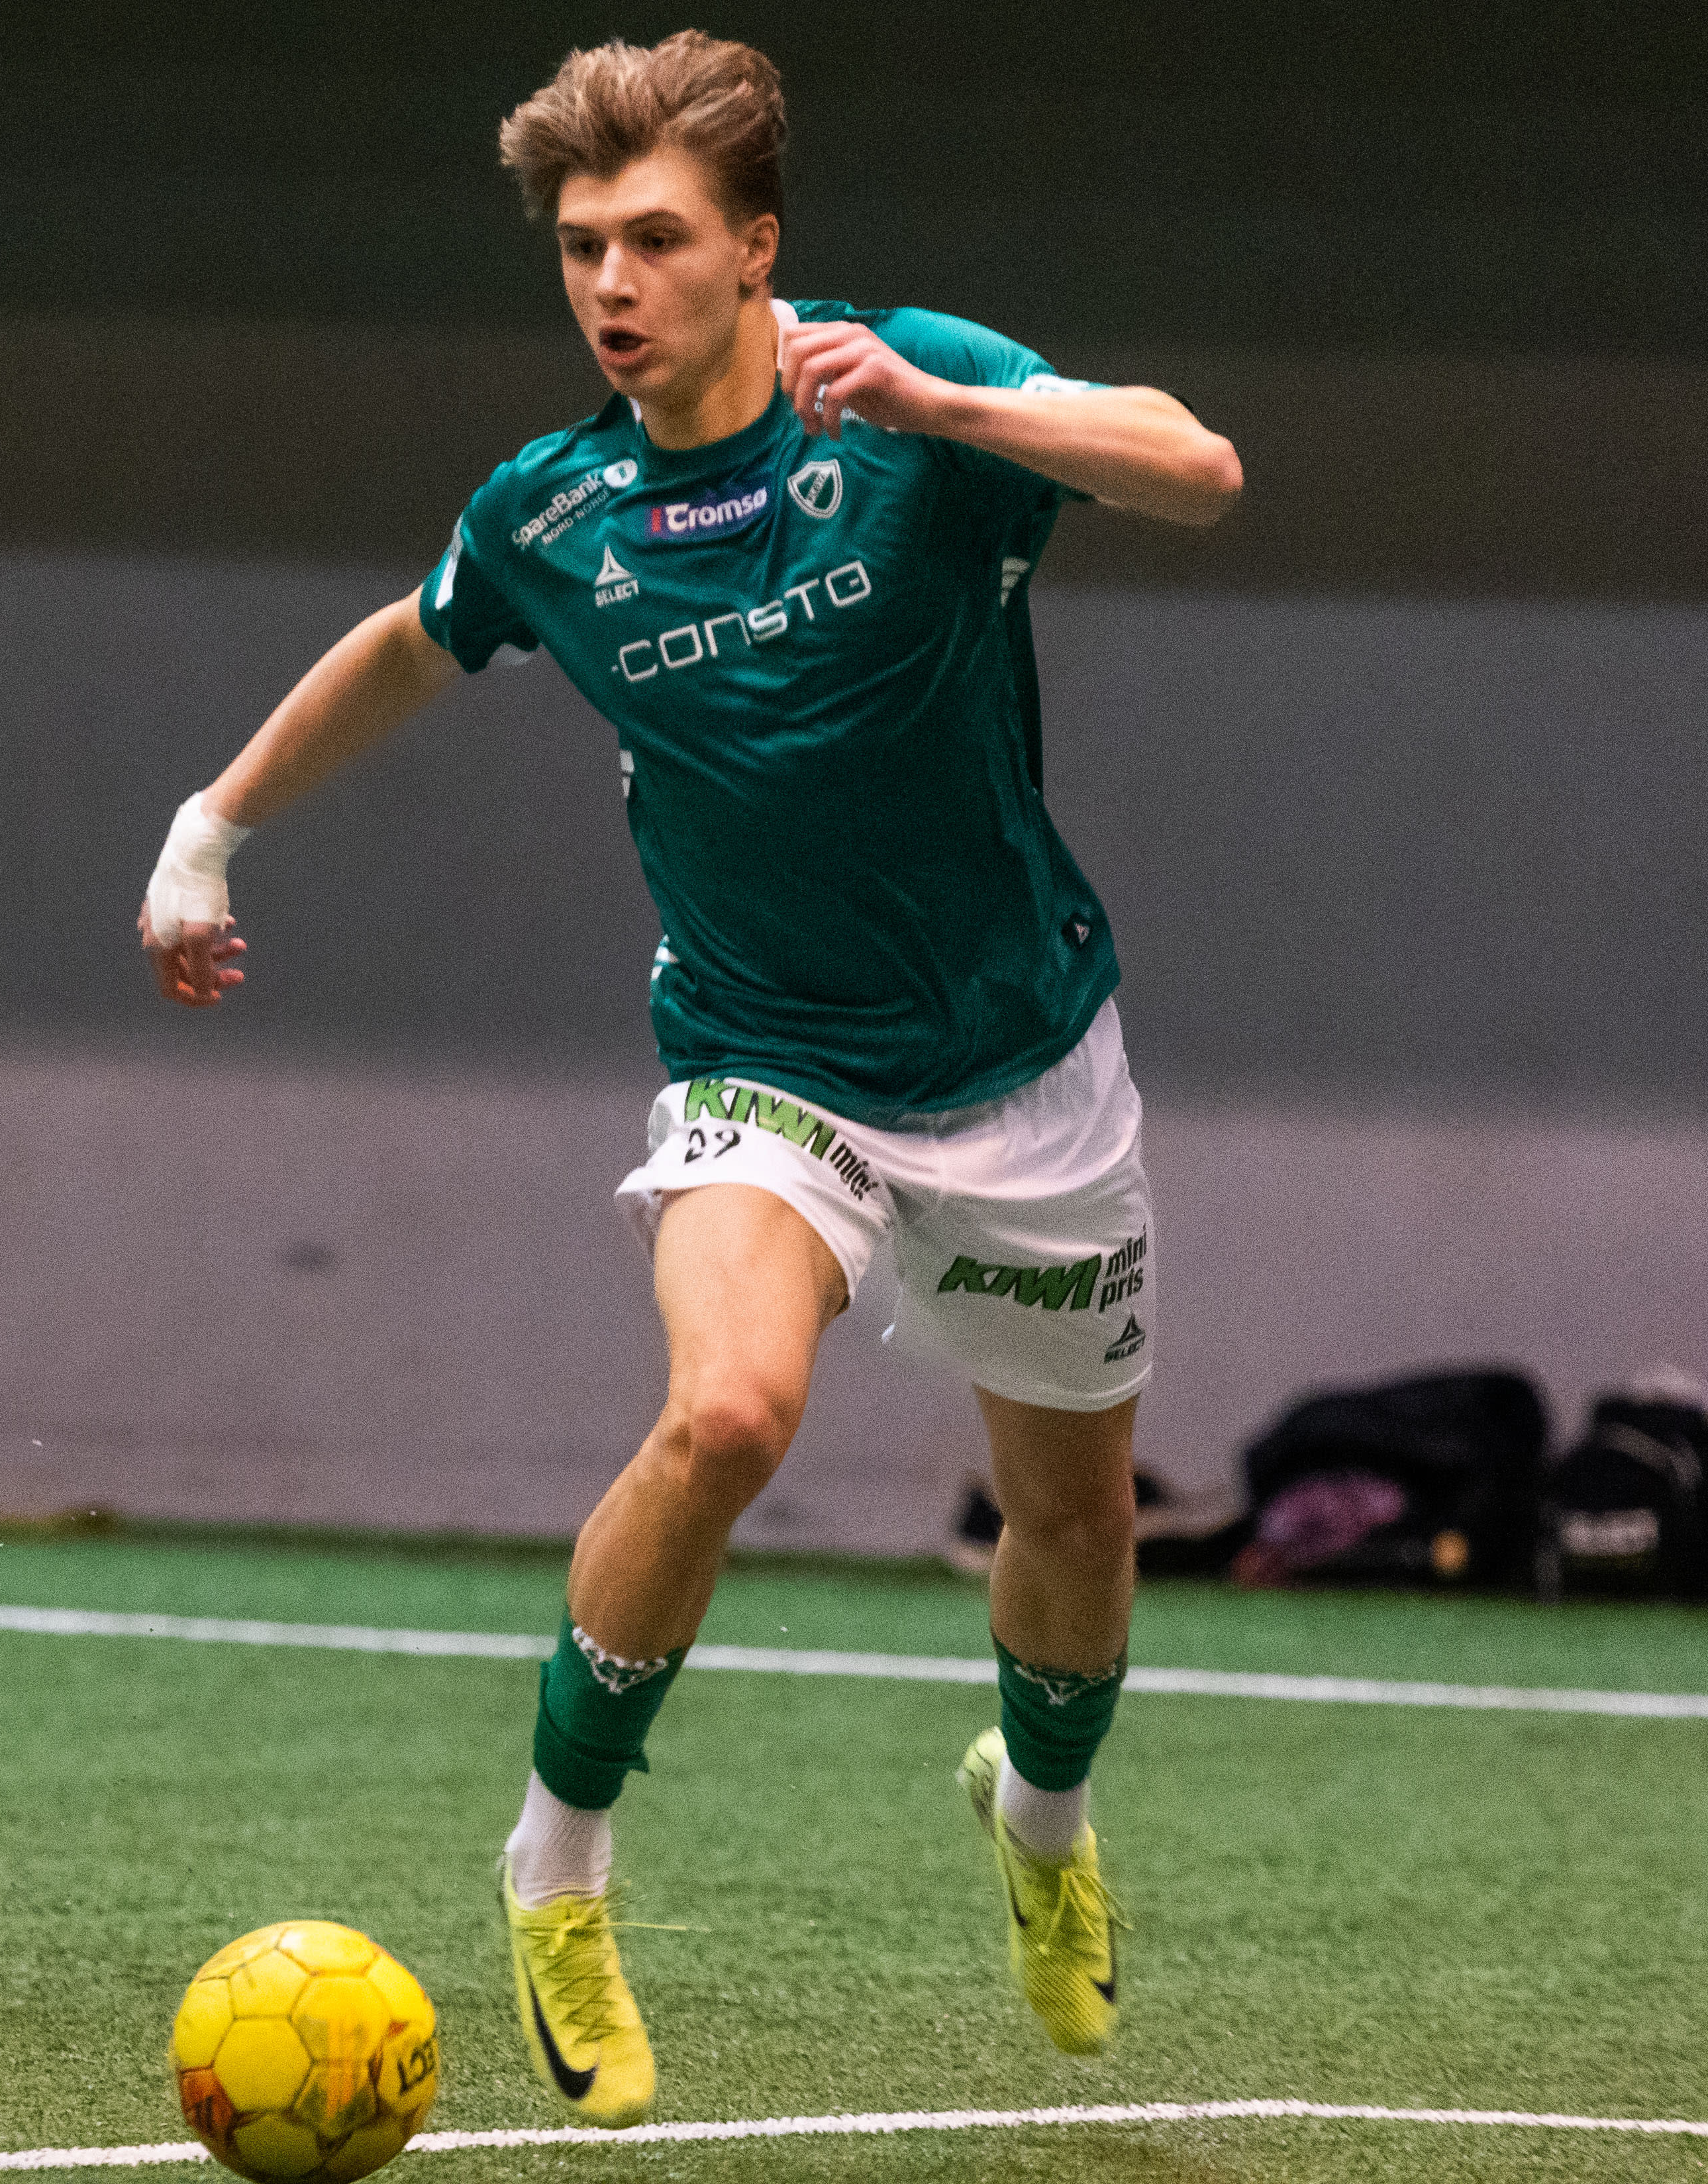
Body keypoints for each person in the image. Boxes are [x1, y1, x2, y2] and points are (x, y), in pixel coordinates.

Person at [137, 34, 1240, 2119]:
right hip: (760, 1061)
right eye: (579, 247)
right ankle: (554, 1864)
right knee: (727, 1407)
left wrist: (940, 404)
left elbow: (1194, 467)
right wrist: (209, 828)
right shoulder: (554, 510)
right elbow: (409, 638)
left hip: (1021, 1065)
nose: (610, 283)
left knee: (1074, 1523)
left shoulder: (904, 394)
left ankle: (1038, 1817)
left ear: (755, 249)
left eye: (652, 239)